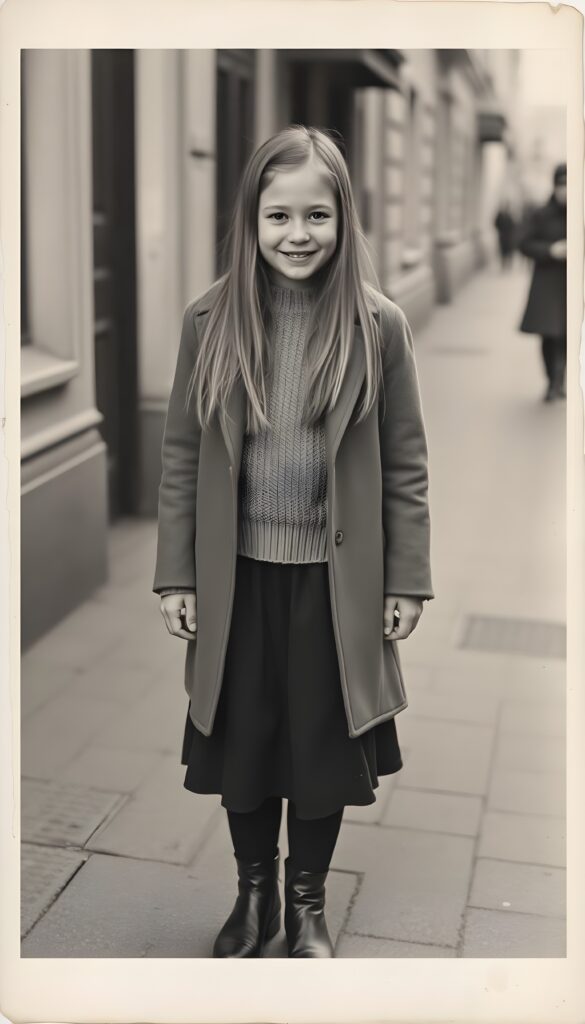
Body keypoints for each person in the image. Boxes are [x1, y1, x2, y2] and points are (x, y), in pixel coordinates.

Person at [152, 125, 434, 958]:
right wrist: (177, 575)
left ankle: (307, 902)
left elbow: (405, 464)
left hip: (333, 583)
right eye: (278, 216)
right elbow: (180, 455)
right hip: (236, 576)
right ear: (251, 220)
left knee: (319, 749)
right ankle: (254, 896)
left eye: (317, 215)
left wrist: (405, 579)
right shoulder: (209, 321)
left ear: (344, 219)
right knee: (243, 743)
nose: (297, 234)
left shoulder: (378, 327)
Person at [517, 162, 567, 402]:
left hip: (573, 285)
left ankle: (560, 381)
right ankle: (551, 381)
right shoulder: (541, 214)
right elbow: (524, 243)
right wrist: (550, 250)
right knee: (549, 335)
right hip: (547, 283)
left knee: (569, 336)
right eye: (562, 184)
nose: (565, 190)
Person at [494, 201, 517, 270]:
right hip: (502, 236)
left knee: (509, 251)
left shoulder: (510, 215)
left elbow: (513, 225)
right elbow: (496, 223)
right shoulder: (500, 215)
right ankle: (503, 264)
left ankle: (508, 264)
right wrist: (500, 230)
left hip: (509, 236)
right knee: (502, 250)